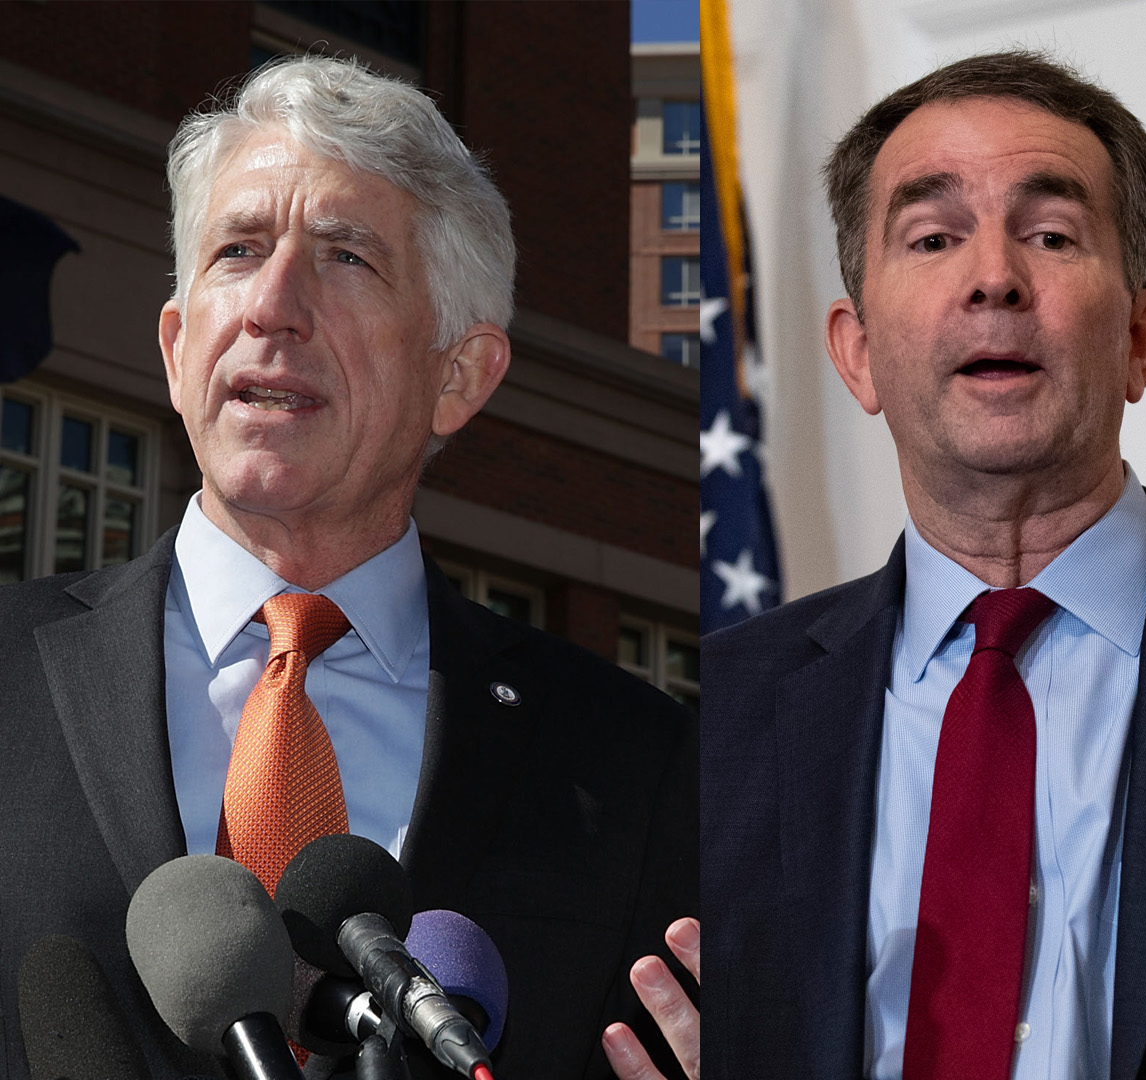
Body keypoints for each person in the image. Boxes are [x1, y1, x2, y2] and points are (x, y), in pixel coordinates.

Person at [0, 57, 696, 1079]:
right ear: (176, 344)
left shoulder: (636, 763)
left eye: (345, 258)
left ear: (458, 376)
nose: (272, 304)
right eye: (237, 251)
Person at [701, 51, 1146, 1080]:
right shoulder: (720, 710)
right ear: (857, 353)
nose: (993, 276)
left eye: (1049, 234)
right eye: (934, 236)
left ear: (1139, 338)